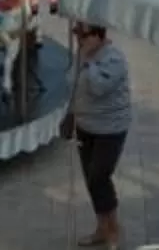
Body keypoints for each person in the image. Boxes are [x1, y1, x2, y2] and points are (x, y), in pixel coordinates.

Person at [62, 20, 132, 247]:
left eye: (83, 36)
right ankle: (102, 227)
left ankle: (113, 229)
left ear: (98, 36)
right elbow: (72, 84)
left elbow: (98, 88)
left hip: (110, 128)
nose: (78, 40)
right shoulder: (82, 55)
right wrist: (70, 114)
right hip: (86, 126)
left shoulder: (114, 58)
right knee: (91, 180)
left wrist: (88, 61)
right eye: (77, 35)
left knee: (100, 176)